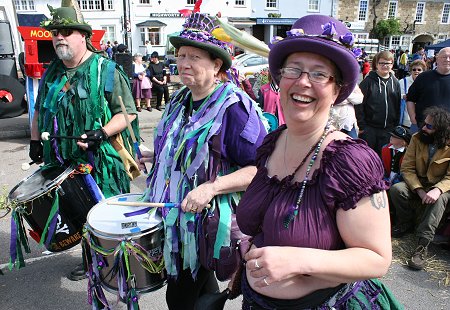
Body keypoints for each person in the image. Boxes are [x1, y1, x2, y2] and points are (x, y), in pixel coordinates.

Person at [236, 15, 401, 310]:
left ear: (337, 90)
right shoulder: (272, 143)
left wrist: (297, 259)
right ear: (279, 79)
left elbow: (377, 259)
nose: (302, 82)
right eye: (294, 70)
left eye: (319, 74)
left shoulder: (350, 162)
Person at [140, 12, 267, 310]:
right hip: (175, 217)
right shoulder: (179, 100)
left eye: (195, 57)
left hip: (204, 223)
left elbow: (261, 169)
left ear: (216, 64)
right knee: (199, 288)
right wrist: (154, 155)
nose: (184, 63)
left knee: (180, 297)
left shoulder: (234, 108)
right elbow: (184, 150)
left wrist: (211, 188)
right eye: (181, 55)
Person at [30, 0, 138, 280]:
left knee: (107, 216)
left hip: (101, 162)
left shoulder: (106, 70)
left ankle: (118, 264)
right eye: (55, 33)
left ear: (84, 37)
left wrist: (101, 132)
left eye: (66, 32)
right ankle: (91, 259)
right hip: (64, 163)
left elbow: (128, 114)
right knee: (79, 215)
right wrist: (34, 141)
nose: (59, 38)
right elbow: (40, 109)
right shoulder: (52, 72)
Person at [390, 107, 450, 270]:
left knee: (440, 200)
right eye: (425, 124)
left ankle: (422, 245)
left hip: (441, 187)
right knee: (397, 189)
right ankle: (406, 223)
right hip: (420, 184)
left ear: (440, 130)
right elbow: (407, 168)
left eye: (429, 126)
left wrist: (437, 190)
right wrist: (419, 189)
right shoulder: (417, 138)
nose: (423, 128)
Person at [356, 50, 401, 156]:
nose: (385, 66)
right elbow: (359, 104)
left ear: (392, 64)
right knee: (368, 157)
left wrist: (395, 124)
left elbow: (397, 104)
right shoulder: (368, 82)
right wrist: (362, 126)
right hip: (370, 129)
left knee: (383, 158)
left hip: (388, 129)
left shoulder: (395, 82)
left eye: (388, 63)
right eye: (382, 63)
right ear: (376, 64)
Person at [406, 47, 450, 134]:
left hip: (447, 130)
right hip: (422, 127)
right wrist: (412, 117)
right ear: (437, 59)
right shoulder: (423, 77)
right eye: (444, 57)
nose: (447, 60)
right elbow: (410, 98)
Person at [398, 59, 426, 128]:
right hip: (405, 120)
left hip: (421, 121)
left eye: (419, 70)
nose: (416, 71)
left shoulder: (427, 83)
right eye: (414, 69)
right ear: (411, 71)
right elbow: (396, 95)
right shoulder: (402, 82)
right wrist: (404, 96)